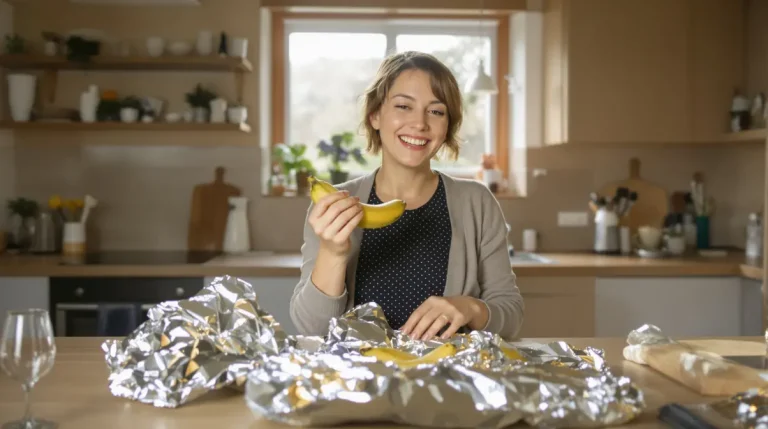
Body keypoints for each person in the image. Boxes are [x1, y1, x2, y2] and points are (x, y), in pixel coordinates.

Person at [289, 50, 524, 341]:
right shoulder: (334, 206)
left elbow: (511, 316)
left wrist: (470, 308)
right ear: (375, 115)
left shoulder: (477, 202)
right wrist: (333, 252)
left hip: (445, 380)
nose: (420, 123)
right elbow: (311, 330)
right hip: (360, 381)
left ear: (447, 125)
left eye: (436, 111)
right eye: (403, 106)